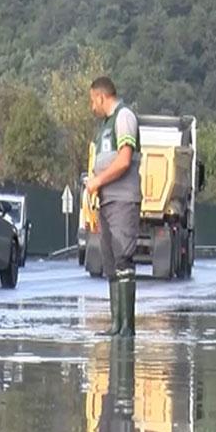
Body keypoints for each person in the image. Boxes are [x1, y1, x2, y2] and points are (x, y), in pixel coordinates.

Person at [85, 76, 141, 337]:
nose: (91, 106)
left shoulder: (123, 116)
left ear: (100, 96)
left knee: (122, 257)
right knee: (111, 262)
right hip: (107, 201)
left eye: (91, 100)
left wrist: (98, 180)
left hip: (122, 199)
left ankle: (127, 327)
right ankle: (116, 324)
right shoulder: (105, 126)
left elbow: (124, 161)